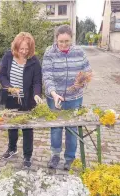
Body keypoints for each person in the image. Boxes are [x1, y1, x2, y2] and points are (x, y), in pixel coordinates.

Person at [42, 25, 92, 170]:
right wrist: (53, 93)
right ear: (56, 40)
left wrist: (81, 81)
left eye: (67, 41)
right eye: (61, 41)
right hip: (54, 97)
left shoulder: (79, 52)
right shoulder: (49, 53)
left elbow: (87, 70)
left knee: (72, 128)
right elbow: (47, 75)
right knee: (56, 128)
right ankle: (55, 155)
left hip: (75, 98)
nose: (64, 45)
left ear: (72, 39)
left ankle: (70, 157)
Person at [0, 32, 43, 168]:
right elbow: (2, 75)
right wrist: (9, 87)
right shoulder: (8, 56)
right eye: (21, 49)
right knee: (12, 126)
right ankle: (12, 149)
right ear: (16, 47)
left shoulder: (34, 61)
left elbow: (37, 82)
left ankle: (27, 155)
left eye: (27, 49)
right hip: (11, 98)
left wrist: (36, 94)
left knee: (27, 128)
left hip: (28, 100)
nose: (24, 52)